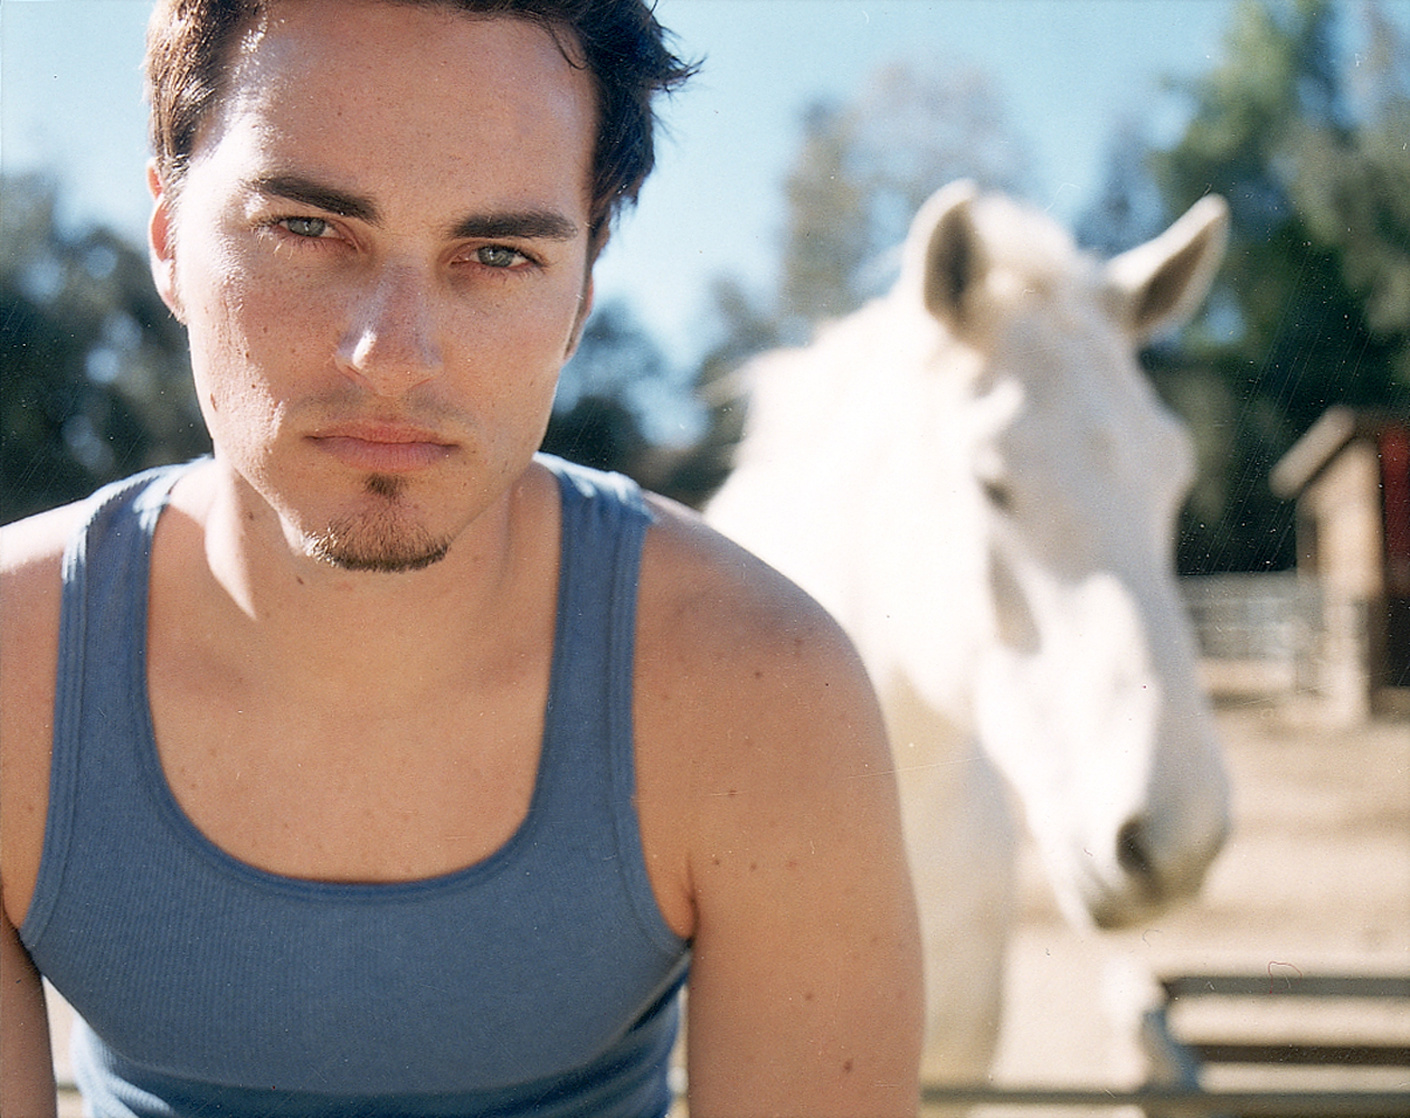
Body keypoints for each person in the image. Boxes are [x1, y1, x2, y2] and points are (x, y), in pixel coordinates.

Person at [0, 0, 923, 1114]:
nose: (394, 355)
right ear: (166, 237)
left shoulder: (758, 690)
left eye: (496, 253)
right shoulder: (13, 672)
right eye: (307, 227)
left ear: (581, 294)